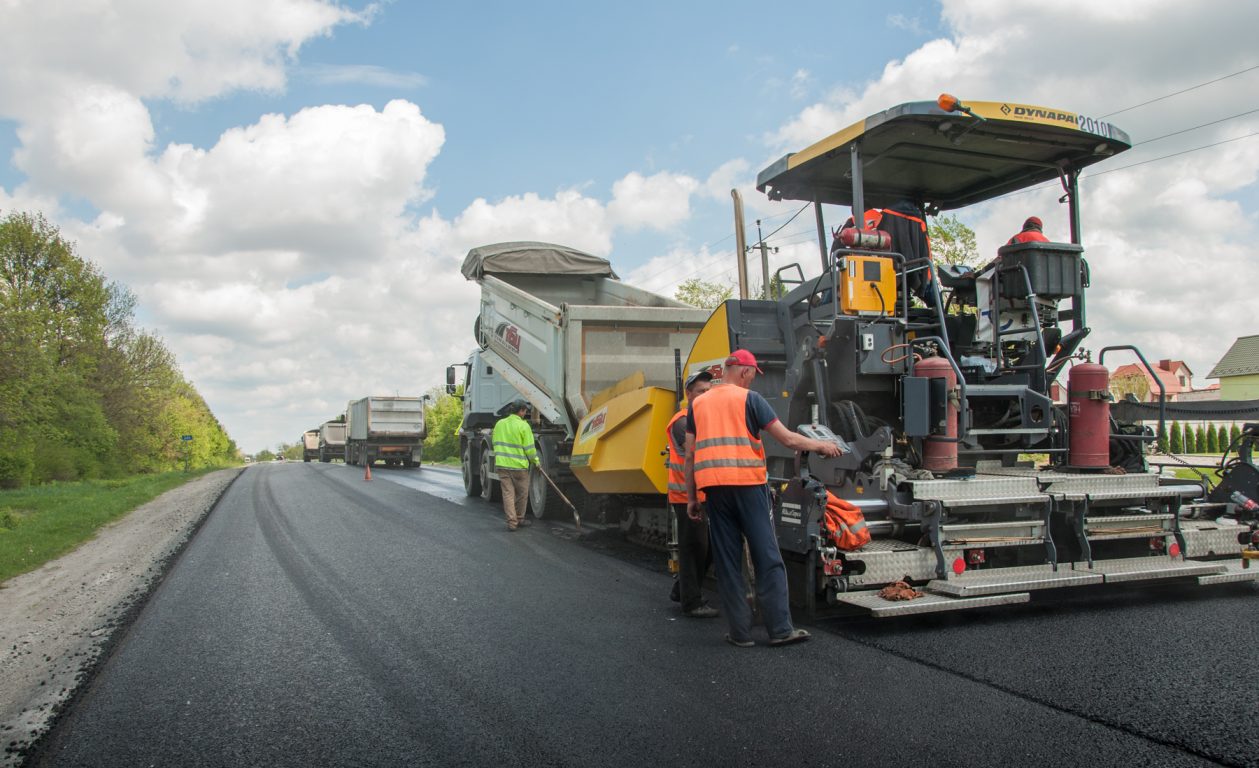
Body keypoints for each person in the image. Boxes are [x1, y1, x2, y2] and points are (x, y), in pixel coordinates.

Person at [684, 350, 843, 647]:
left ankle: (740, 633)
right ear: (745, 371)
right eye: (753, 375)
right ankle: (780, 629)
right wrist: (821, 446)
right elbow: (788, 439)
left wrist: (691, 497)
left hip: (714, 491)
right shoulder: (751, 400)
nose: (753, 380)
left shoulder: (698, 404)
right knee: (767, 556)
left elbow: (690, 455)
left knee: (727, 562)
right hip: (748, 487)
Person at [666, 370, 718, 618]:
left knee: (708, 548)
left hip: (704, 494)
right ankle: (692, 602)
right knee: (694, 547)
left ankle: (683, 589)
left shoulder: (702, 419)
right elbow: (696, 452)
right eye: (700, 391)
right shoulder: (682, 422)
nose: (705, 395)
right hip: (687, 496)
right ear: (689, 394)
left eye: (708, 391)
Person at [492, 400, 538, 531]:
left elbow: (495, 442)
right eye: (525, 411)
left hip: (502, 465)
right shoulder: (523, 426)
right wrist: (536, 462)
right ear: (521, 411)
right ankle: (519, 518)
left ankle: (512, 523)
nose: (525, 413)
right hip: (519, 467)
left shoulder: (499, 424)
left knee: (508, 494)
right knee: (522, 494)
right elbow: (530, 449)